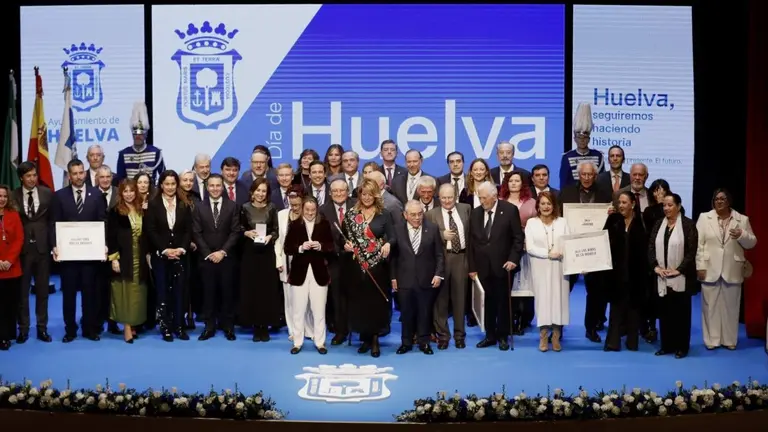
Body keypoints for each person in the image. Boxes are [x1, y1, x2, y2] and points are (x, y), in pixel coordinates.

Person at [52, 159, 108, 343]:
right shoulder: (59, 196)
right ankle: (70, 330)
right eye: (74, 173)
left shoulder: (96, 194)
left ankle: (89, 328)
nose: (78, 176)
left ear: (85, 173)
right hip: (68, 256)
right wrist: (55, 245)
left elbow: (103, 222)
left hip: (90, 255)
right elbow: (54, 224)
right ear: (69, 175)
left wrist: (103, 244)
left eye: (81, 172)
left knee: (89, 294)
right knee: (68, 295)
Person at [695, 188, 757, 350]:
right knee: (710, 307)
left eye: (722, 199)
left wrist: (742, 235)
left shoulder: (742, 220)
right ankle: (712, 340)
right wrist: (700, 266)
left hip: (732, 268)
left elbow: (752, 242)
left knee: (731, 307)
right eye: (716, 199)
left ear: (729, 201)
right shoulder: (704, 218)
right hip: (709, 268)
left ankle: (729, 340)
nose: (719, 201)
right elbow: (698, 244)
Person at [468, 181, 524, 351]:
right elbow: (471, 242)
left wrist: (513, 259)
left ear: (494, 197)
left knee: (502, 304)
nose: (482, 200)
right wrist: (471, 267)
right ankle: (490, 336)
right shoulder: (476, 213)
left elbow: (517, 238)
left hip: (503, 267)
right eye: (480, 197)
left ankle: (503, 336)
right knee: (487, 303)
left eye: (484, 197)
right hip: (482, 267)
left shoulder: (509, 210)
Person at [343, 178, 395, 358]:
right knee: (360, 303)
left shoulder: (384, 214)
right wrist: (346, 245)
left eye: (370, 194)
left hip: (377, 266)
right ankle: (364, 338)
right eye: (363, 194)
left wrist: (388, 244)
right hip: (356, 266)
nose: (366, 198)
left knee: (375, 304)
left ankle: (374, 340)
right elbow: (344, 238)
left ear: (376, 195)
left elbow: (393, 237)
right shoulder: (351, 215)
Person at [391, 200, 445, 355]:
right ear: (405, 215)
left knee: (425, 312)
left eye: (420, 214)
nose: (417, 218)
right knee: (406, 313)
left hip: (426, 279)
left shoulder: (432, 229)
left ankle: (424, 342)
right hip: (404, 279)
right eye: (413, 215)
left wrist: (438, 274)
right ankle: (406, 343)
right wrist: (393, 277)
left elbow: (439, 255)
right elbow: (393, 258)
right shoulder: (397, 230)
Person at [649, 193, 699, 359]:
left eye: (670, 205)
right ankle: (666, 345)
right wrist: (655, 267)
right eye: (664, 205)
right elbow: (650, 248)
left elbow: (691, 252)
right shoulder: (658, 224)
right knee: (664, 314)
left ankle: (681, 347)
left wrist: (679, 269)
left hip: (681, 278)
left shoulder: (688, 225)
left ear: (678, 206)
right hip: (662, 277)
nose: (666, 208)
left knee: (681, 314)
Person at [144, 170, 192, 342]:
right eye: (167, 184)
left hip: (180, 256)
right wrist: (164, 249)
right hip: (161, 256)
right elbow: (151, 230)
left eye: (173, 184)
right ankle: (166, 327)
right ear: (161, 185)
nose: (170, 187)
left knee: (180, 292)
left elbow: (188, 230)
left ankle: (179, 326)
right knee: (163, 292)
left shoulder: (184, 203)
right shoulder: (153, 204)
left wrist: (181, 249)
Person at [284, 196, 334, 354]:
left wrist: (321, 246)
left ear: (317, 209)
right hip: (299, 273)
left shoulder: (324, 224)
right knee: (298, 310)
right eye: (307, 210)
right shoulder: (294, 225)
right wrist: (300, 247)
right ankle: (297, 342)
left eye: (313, 210)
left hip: (319, 273)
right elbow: (287, 248)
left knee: (319, 310)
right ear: (302, 209)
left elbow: (331, 246)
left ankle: (320, 342)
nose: (310, 213)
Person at [194, 174, 241, 342]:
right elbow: (196, 233)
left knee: (227, 293)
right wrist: (208, 253)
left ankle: (228, 327)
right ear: (207, 187)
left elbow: (236, 232)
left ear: (223, 187)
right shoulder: (199, 207)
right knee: (208, 294)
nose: (215, 188)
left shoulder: (233, 206)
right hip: (206, 259)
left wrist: (222, 252)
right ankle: (209, 327)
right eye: (212, 185)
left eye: (218, 185)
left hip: (226, 258)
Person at [425, 183, 471, 349]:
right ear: (438, 197)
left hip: (461, 258)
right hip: (441, 260)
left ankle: (460, 336)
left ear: (456, 196)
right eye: (443, 197)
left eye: (450, 197)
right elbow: (426, 237)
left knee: (460, 299)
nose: (447, 201)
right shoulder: (431, 214)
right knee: (440, 301)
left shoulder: (466, 209)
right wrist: (441, 234)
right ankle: (443, 336)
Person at [13, 161, 54, 343]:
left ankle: (42, 328)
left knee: (43, 290)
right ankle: (23, 328)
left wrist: (54, 245)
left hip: (43, 248)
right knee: (22, 292)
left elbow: (53, 221)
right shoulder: (13, 196)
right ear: (21, 177)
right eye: (28, 176)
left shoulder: (47, 193)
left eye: (34, 175)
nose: (32, 179)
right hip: (22, 251)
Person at [603, 191, 649, 352]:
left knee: (634, 309)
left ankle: (632, 341)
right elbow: (603, 243)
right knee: (615, 308)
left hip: (637, 274)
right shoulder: (613, 219)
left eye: (624, 202)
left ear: (633, 204)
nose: (621, 205)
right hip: (616, 273)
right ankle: (612, 342)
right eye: (619, 202)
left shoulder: (642, 221)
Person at [525, 191, 569, 352]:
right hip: (540, 266)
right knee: (543, 301)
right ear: (538, 206)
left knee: (559, 300)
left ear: (554, 206)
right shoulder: (531, 223)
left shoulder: (562, 222)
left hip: (559, 267)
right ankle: (543, 336)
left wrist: (562, 253)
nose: (546, 207)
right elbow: (530, 247)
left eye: (549, 203)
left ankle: (556, 336)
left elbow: (568, 243)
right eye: (542, 203)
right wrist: (548, 254)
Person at [238, 177, 282, 342]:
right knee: (252, 289)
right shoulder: (244, 208)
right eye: (258, 190)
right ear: (252, 192)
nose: (261, 194)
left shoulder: (272, 208)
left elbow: (276, 230)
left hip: (266, 253)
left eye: (264, 191)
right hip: (250, 253)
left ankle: (265, 326)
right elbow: (239, 227)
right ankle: (255, 326)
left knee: (267, 290)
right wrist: (247, 233)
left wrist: (271, 236)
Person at [106, 179, 149, 343]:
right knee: (125, 292)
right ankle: (126, 327)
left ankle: (134, 324)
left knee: (138, 292)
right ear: (121, 193)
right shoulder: (116, 211)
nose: (129, 194)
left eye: (132, 191)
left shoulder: (141, 210)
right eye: (126, 191)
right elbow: (111, 236)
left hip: (140, 257)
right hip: (124, 257)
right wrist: (114, 258)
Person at [115, 102, 166, 184]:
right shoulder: (124, 153)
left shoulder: (156, 152)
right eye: (135, 134)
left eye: (141, 134)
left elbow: (163, 176)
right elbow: (121, 179)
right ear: (132, 135)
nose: (138, 137)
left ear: (145, 135)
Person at [559, 102, 605, 188]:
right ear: (575, 139)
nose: (582, 141)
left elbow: (601, 180)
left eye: (584, 138)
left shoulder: (598, 156)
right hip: (573, 197)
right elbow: (564, 182)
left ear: (589, 139)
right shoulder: (567, 157)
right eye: (579, 138)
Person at [0, 185, 24, 351]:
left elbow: (19, 239)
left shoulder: (14, 215)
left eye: (4, 196)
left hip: (12, 267)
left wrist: (9, 260)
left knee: (10, 303)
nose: (1, 199)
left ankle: (8, 334)